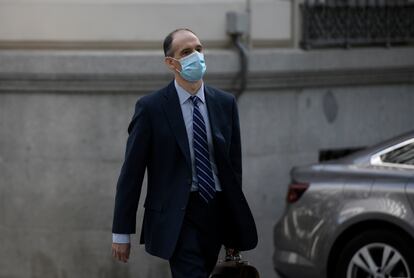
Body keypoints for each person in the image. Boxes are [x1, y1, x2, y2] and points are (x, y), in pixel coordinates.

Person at [111, 28, 258, 278]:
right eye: (186, 52)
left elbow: (233, 169)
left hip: (217, 210)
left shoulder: (225, 103)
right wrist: (121, 232)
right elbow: (131, 173)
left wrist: (234, 223)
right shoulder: (151, 108)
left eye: (199, 49)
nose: (196, 56)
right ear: (171, 63)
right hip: (178, 215)